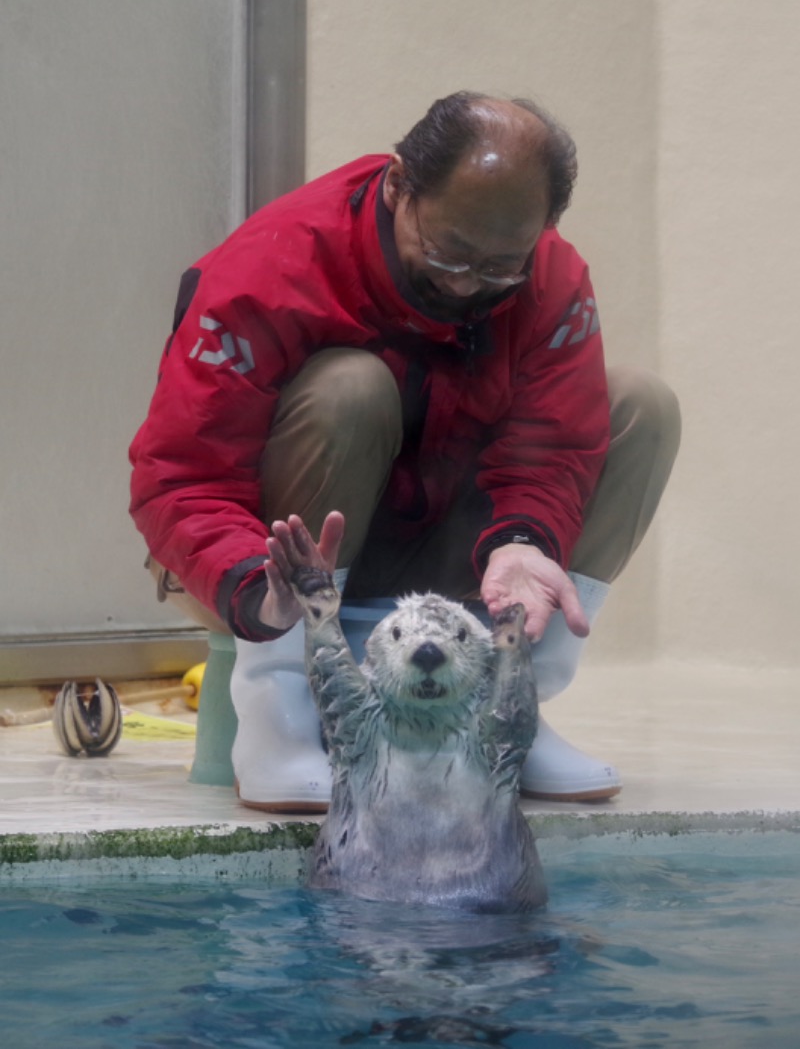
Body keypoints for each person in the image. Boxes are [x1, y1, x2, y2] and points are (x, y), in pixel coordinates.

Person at [129, 91, 680, 812]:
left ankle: (506, 707)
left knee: (641, 407)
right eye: (449, 252)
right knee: (351, 387)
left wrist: (523, 542)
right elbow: (178, 479)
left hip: (443, 545)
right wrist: (257, 588)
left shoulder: (551, 278)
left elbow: (555, 449)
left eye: (497, 270)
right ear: (397, 186)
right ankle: (281, 711)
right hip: (269, 569)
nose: (464, 283)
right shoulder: (274, 266)